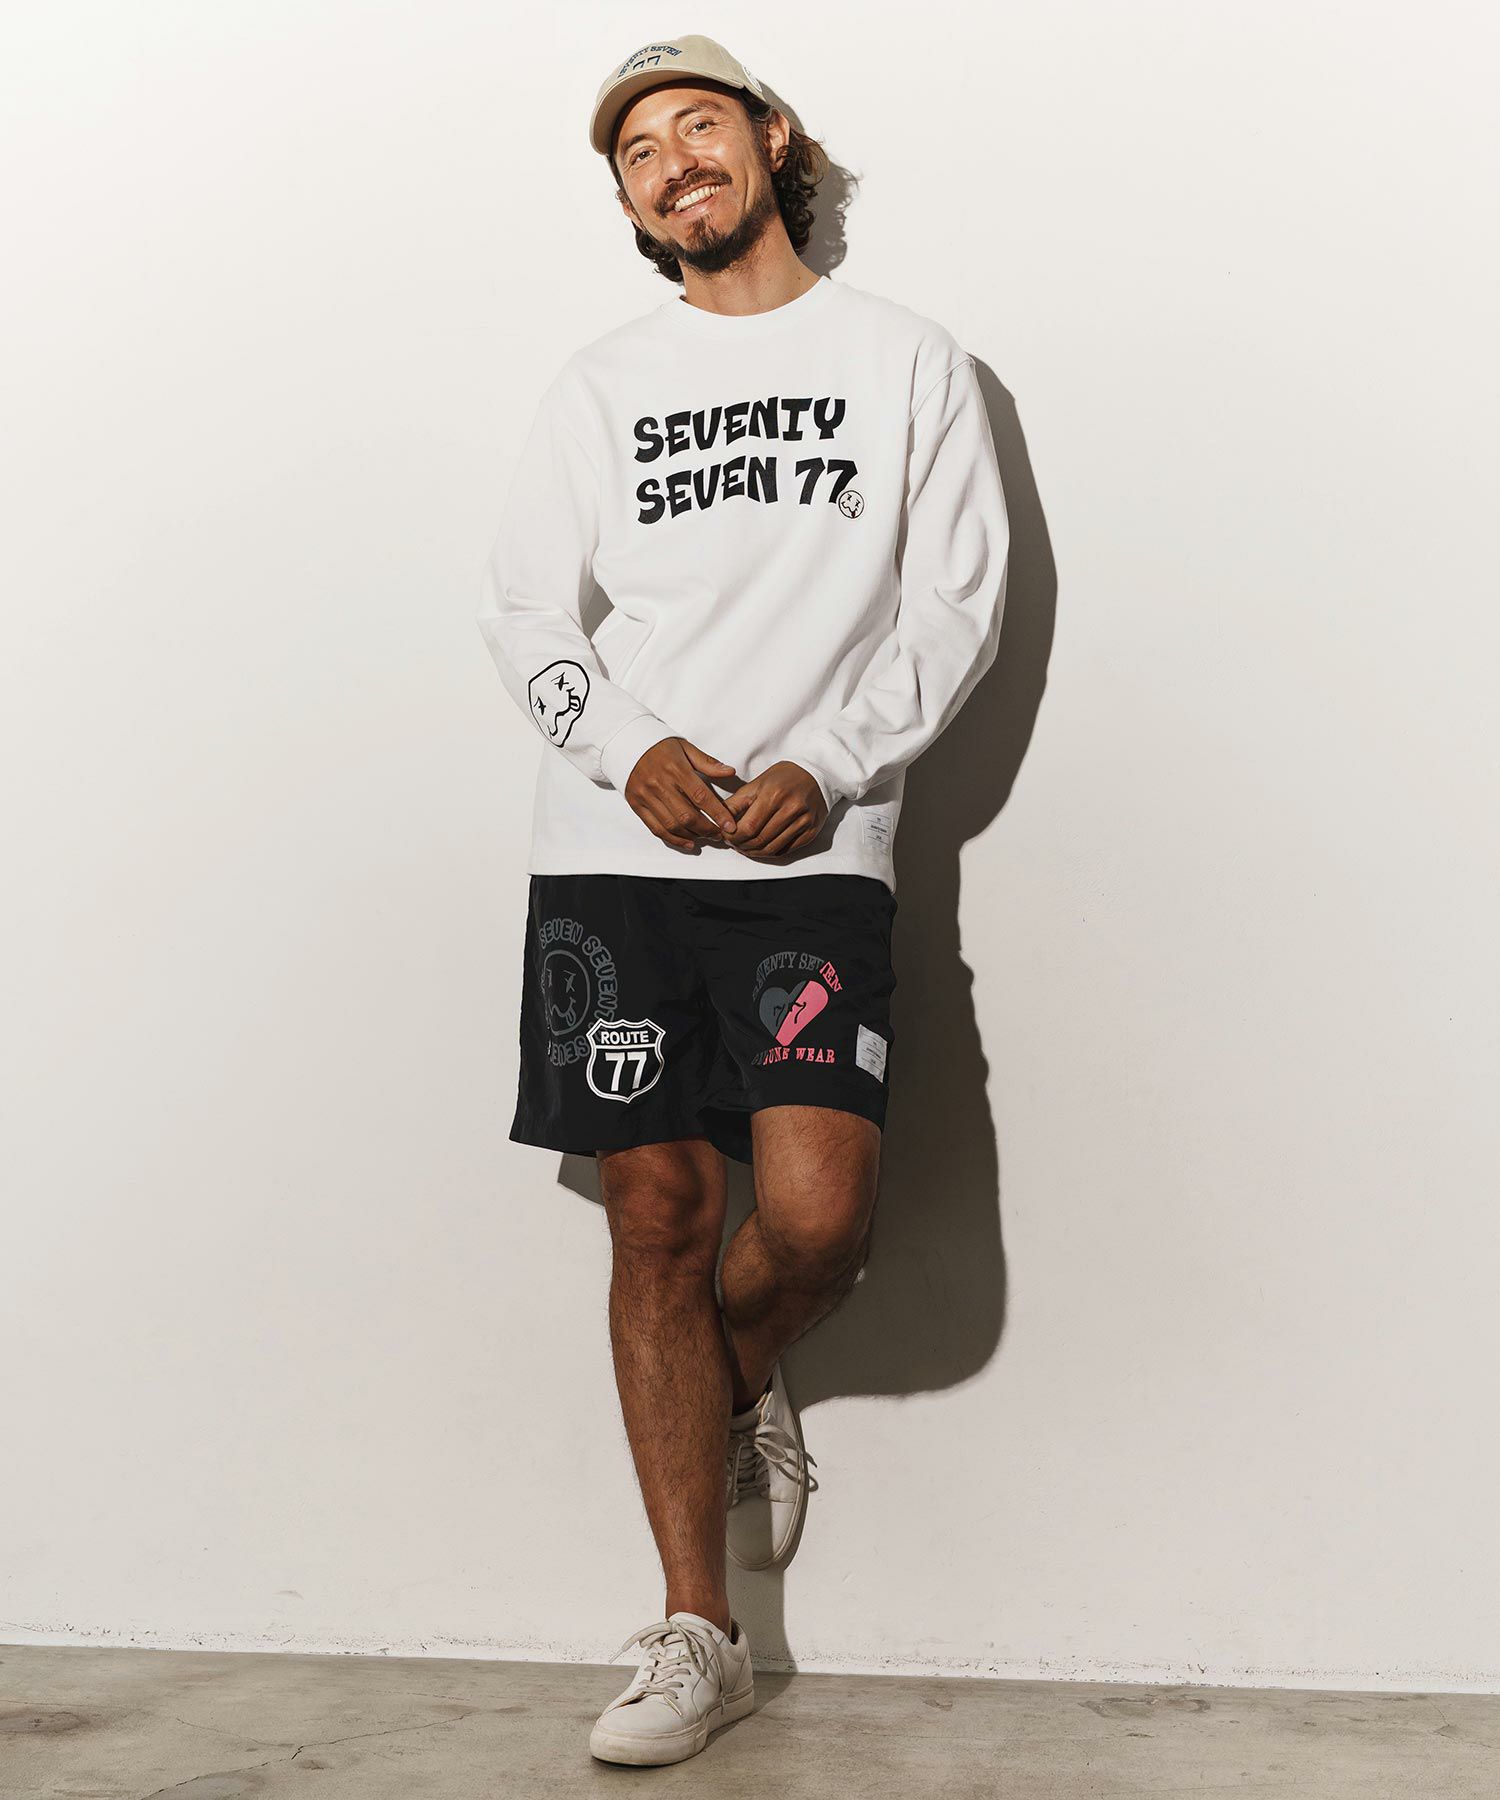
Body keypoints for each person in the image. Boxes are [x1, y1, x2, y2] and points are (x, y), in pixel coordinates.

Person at [476, 32, 1010, 1768]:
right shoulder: (600, 384)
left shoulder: (908, 361)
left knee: (820, 1221)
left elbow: (955, 603)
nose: (671, 164)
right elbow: (525, 610)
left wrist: (838, 760)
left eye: (697, 126)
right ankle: (695, 1631)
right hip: (613, 851)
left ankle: (726, 1379)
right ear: (630, 201)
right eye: (637, 152)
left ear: (774, 142)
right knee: (654, 1216)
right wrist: (623, 744)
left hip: (808, 854)